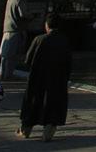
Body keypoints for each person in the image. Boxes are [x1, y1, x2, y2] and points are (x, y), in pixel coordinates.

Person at [20, 13, 72, 141]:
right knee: (53, 105)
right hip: (57, 80)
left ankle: (26, 129)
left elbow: (28, 60)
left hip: (38, 79)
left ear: (47, 26)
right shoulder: (64, 41)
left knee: (33, 103)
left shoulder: (39, 39)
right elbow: (68, 63)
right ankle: (48, 130)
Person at [0, 0, 34, 83]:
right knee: (12, 55)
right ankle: (8, 75)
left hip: (7, 29)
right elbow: (23, 14)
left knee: (5, 55)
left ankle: (3, 74)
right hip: (16, 30)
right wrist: (32, 16)